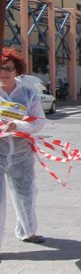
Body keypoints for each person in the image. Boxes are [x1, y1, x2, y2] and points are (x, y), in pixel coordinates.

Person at [0, 48, 46, 247]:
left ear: (17, 70)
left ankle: (28, 231)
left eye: (9, 68)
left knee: (26, 194)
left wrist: (17, 125)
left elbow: (39, 122)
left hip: (21, 154)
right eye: (1, 68)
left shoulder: (28, 93)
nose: (5, 72)